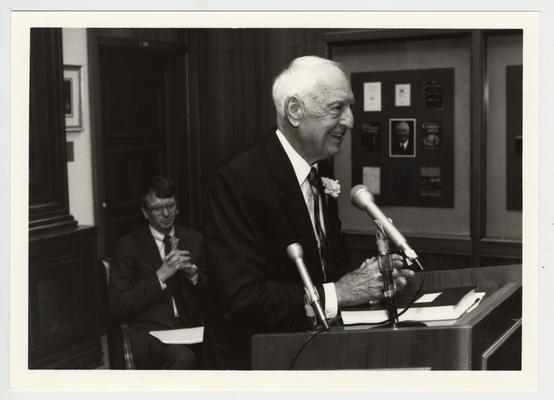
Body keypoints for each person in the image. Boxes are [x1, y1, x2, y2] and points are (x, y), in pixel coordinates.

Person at [202, 56, 415, 369]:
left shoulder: (320, 172)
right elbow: (241, 299)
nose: (350, 121)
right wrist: (340, 293)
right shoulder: (237, 181)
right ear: (294, 111)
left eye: (350, 107)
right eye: (336, 108)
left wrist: (371, 280)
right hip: (255, 363)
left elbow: (326, 270)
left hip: (313, 353)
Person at [109, 176, 206, 369]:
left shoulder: (194, 240)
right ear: (145, 212)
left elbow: (214, 291)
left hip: (191, 327)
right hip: (151, 333)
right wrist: (161, 275)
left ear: (177, 207)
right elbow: (119, 306)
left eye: (170, 205)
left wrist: (192, 274)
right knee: (184, 359)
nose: (166, 213)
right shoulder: (128, 246)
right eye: (157, 208)